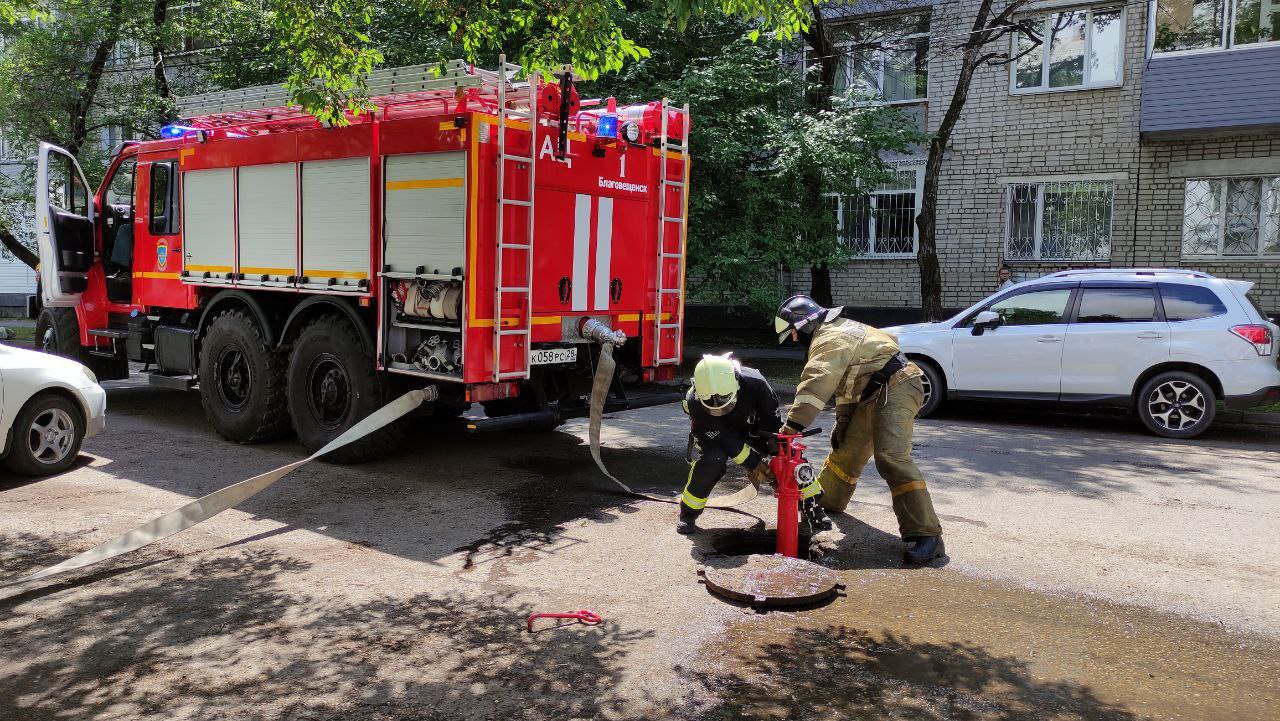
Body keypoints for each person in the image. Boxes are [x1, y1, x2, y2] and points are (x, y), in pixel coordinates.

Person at [774, 295, 945, 564]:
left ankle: (927, 535)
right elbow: (846, 385)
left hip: (897, 387)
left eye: (794, 334)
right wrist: (843, 422)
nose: (795, 340)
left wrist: (791, 428)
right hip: (874, 391)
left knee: (891, 458)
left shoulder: (831, 338)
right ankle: (827, 500)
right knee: (846, 450)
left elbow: (817, 382)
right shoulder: (839, 330)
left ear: (802, 326)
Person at [678, 353, 828, 535]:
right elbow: (726, 440)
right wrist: (755, 464)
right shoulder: (695, 401)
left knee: (788, 455)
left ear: (736, 383)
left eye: (725, 400)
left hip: (751, 427)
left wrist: (776, 456)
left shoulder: (756, 384)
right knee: (713, 461)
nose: (719, 406)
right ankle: (688, 513)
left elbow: (771, 424)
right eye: (711, 403)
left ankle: (810, 505)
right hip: (715, 434)